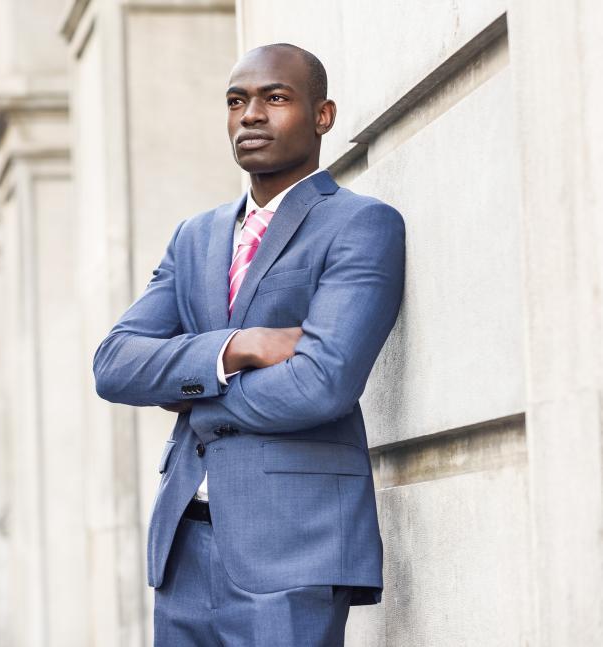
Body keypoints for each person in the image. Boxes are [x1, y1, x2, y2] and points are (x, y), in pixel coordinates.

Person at [93, 43, 405, 646]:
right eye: (237, 101)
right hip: (184, 548)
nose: (251, 115)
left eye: (275, 98)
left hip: (293, 546)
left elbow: (322, 384)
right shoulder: (195, 238)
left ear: (324, 115)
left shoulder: (361, 225)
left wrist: (192, 393)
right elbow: (114, 362)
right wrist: (237, 347)